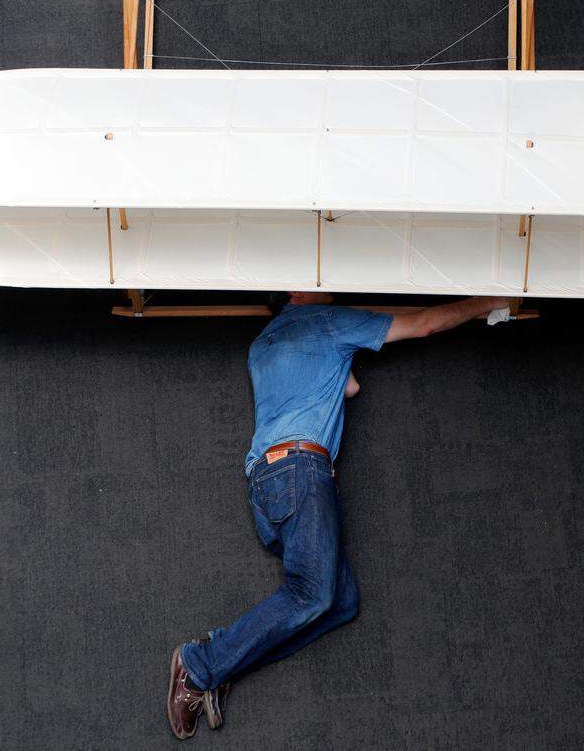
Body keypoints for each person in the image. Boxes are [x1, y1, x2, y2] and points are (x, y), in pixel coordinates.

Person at [167, 291, 512, 739]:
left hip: (266, 489)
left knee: (341, 601)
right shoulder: (328, 321)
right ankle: (200, 667)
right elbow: (424, 324)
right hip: (301, 472)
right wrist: (485, 302)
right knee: (310, 594)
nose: (331, 283)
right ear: (298, 291)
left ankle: (229, 655)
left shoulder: (263, 342)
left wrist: (345, 347)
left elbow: (348, 385)